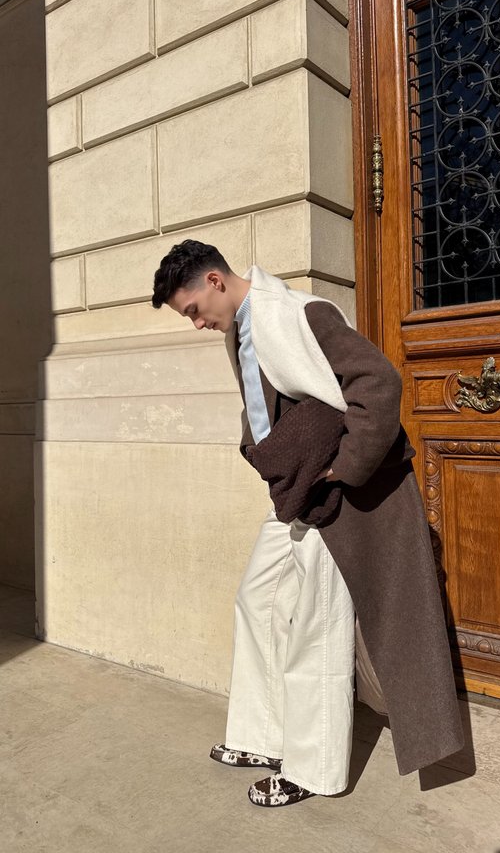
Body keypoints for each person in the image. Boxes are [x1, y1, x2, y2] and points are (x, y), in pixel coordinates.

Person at [152, 240, 464, 807]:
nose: (196, 323)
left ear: (216, 281)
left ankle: (312, 770)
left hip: (336, 497)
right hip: (299, 494)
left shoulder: (300, 313)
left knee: (313, 626)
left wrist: (343, 472)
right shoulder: (240, 330)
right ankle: (260, 736)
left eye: (194, 309)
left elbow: (379, 382)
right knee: (259, 598)